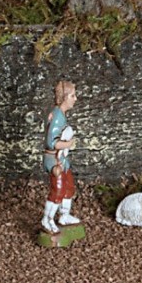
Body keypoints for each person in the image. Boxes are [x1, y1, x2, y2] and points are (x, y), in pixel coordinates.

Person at [41, 79, 81, 233]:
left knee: (68, 186)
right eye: (72, 96)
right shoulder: (57, 117)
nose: (75, 99)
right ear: (64, 97)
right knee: (58, 190)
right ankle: (47, 219)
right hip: (54, 159)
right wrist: (68, 143)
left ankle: (64, 215)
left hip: (62, 160)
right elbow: (52, 142)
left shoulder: (60, 114)